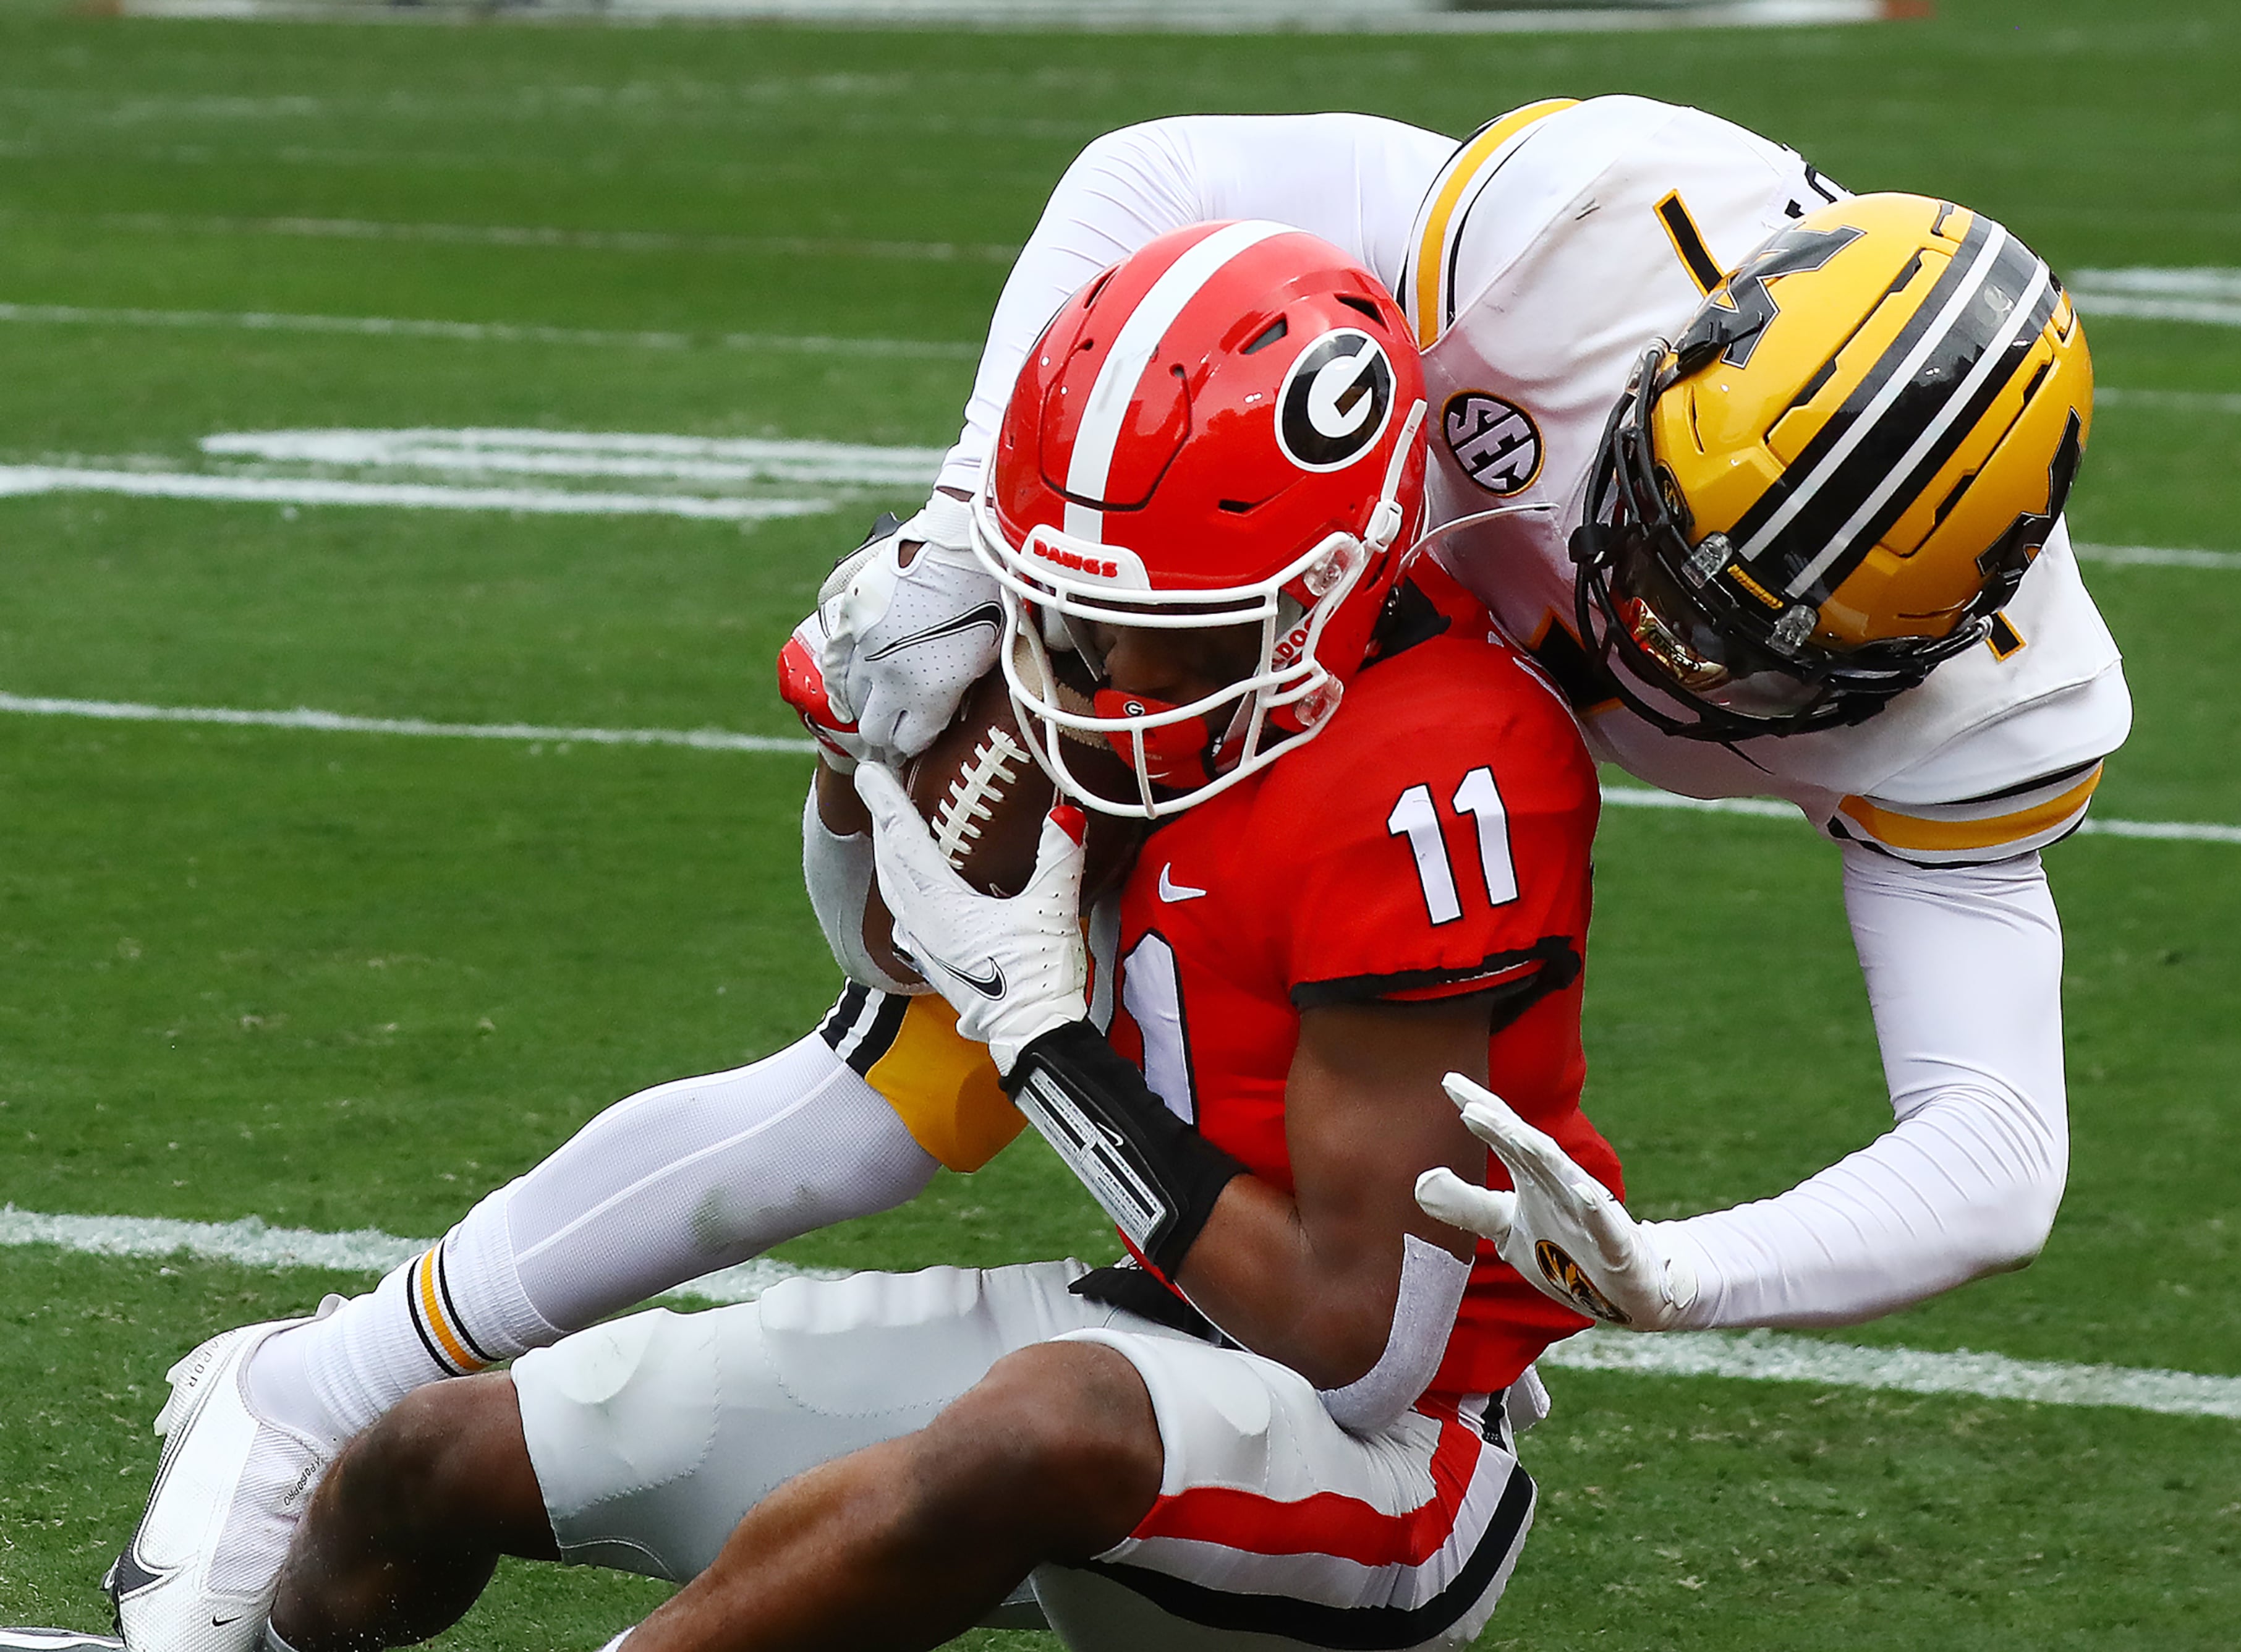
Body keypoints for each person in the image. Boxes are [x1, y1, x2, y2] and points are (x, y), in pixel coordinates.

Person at [108, 95, 2116, 1652]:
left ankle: (352, 1379)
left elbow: (1995, 1148)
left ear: (1943, 640)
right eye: (1662, 540)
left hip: (1381, 854)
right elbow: (1164, 182)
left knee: (1084, 1092)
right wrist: (982, 527)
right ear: (1663, 376)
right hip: (1286, 593)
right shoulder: (1588, 237)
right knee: (911, 1045)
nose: (1661, 639)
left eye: (1754, 633)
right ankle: (324, 1384)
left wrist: (1690, 1272)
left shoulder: (1969, 721)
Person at [256, 222, 1612, 1652]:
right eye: (1093, 619)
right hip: (1143, 1348)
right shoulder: (1136, 656)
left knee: (1041, 1418)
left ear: (1336, 578)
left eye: (1194, 636)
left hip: (1394, 1469)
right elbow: (889, 956)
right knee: (427, 1457)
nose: (1128, 682)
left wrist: (1047, 1049)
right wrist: (852, 771)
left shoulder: (1444, 763)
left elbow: (1356, 1344)